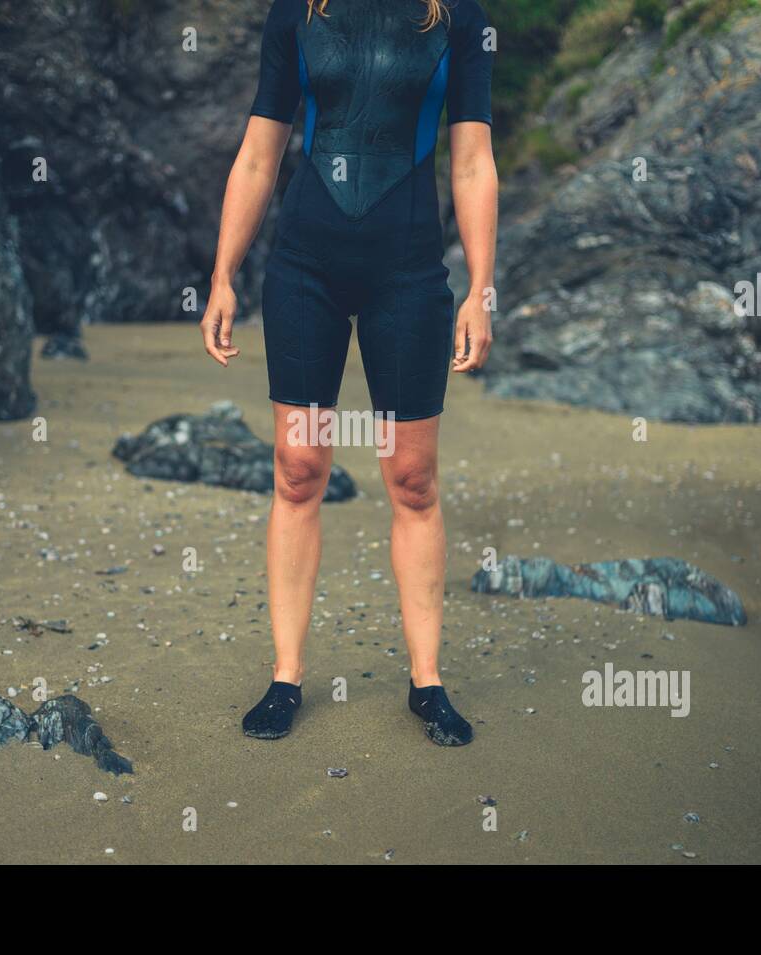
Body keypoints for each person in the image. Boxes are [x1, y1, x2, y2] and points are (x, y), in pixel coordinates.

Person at [199, 0, 497, 745]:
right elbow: (259, 154)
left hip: (408, 272)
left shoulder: (456, 16)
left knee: (412, 479)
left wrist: (480, 289)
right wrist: (223, 275)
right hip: (305, 268)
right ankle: (287, 675)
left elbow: (471, 159)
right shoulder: (299, 11)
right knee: (299, 467)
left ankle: (427, 684)